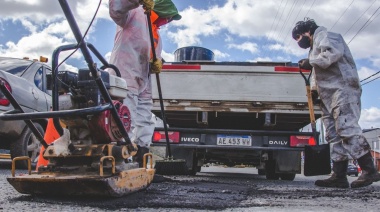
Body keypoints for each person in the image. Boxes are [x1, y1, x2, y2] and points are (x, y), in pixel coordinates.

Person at [292, 18, 380, 188]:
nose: (298, 41)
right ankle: (339, 176)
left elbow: (331, 54)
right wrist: (315, 92)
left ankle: (369, 170)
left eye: (298, 37)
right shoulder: (314, 47)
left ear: (307, 31)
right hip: (328, 96)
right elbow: (319, 74)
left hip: (342, 90)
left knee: (346, 128)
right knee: (333, 134)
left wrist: (311, 62)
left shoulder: (327, 36)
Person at [108, 0, 181, 167]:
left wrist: (158, 62)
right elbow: (116, 9)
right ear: (160, 9)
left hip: (144, 80)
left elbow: (153, 53)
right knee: (125, 118)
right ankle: (120, 161)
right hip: (124, 75)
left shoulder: (155, 33)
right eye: (169, 16)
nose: (168, 20)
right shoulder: (135, 13)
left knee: (146, 118)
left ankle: (141, 158)